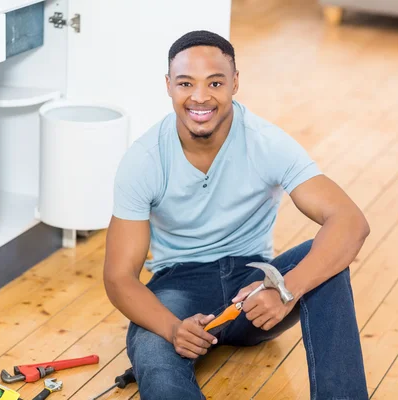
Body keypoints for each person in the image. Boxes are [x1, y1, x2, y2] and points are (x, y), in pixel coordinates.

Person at [103, 30, 370, 400]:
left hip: (255, 286)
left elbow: (350, 221)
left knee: (327, 258)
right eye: (185, 83)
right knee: (152, 351)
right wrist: (172, 327)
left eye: (215, 82)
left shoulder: (266, 142)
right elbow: (118, 277)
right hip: (178, 286)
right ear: (168, 86)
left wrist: (285, 289)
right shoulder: (144, 159)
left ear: (235, 83)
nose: (200, 96)